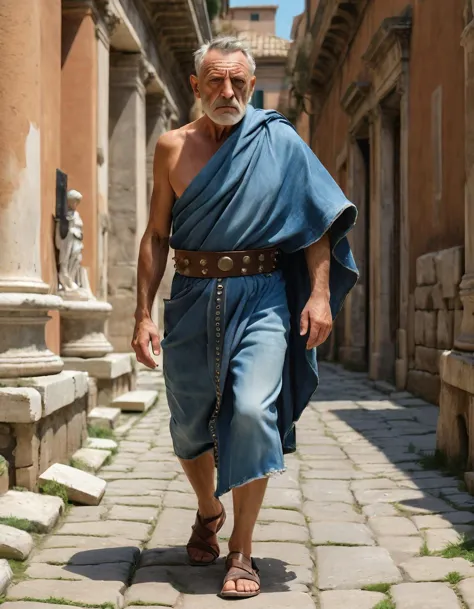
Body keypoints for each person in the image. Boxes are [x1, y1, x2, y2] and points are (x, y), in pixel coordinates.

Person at [132, 36, 358, 599]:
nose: (227, 91)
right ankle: (209, 511)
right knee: (189, 424)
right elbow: (156, 235)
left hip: (262, 296)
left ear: (252, 86)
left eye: (238, 81)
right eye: (215, 80)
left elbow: (317, 220)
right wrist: (142, 314)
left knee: (253, 411)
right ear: (196, 85)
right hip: (190, 296)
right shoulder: (171, 149)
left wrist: (321, 295)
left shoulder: (278, 141)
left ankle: (242, 550)